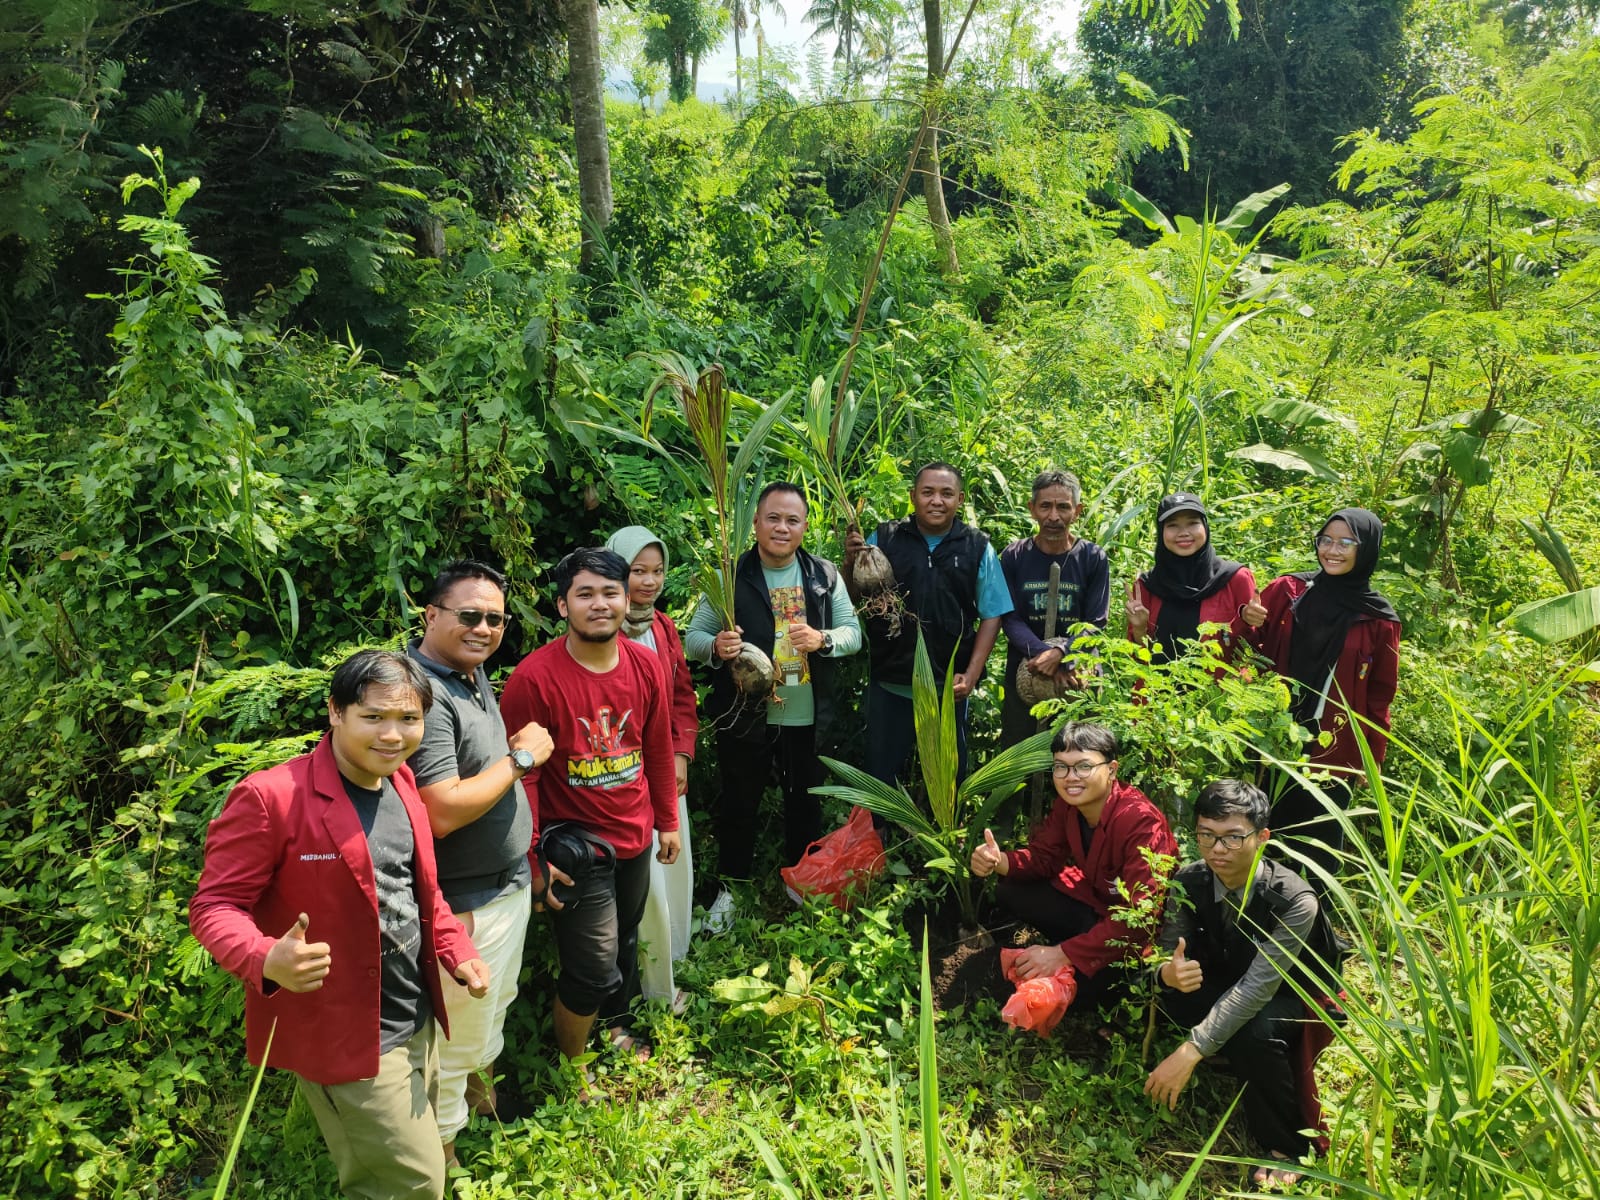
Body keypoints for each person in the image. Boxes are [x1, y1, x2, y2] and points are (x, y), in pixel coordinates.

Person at [190, 650, 491, 1200]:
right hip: (346, 1032)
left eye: (408, 719)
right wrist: (264, 958)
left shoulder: (401, 783)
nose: (393, 735)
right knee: (414, 1183)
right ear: (335, 711)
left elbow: (418, 891)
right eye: (373, 717)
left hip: (414, 1011)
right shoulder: (271, 797)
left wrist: (454, 947)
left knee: (401, 1178)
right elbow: (213, 906)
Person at [498, 548, 679, 1071]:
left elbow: (658, 748)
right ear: (562, 605)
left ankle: (615, 1026)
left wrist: (666, 820)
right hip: (575, 841)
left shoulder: (646, 665)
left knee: (623, 938)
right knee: (593, 967)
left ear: (627, 599)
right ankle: (572, 1071)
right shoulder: (535, 679)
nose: (599, 604)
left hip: (635, 830)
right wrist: (532, 857)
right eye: (585, 593)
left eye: (610, 592)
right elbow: (521, 777)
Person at [403, 560, 552, 1161]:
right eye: (469, 615)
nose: (484, 628)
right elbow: (440, 809)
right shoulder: (422, 691)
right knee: (455, 1033)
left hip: (505, 884)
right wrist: (519, 761)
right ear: (431, 614)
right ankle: (444, 1153)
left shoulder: (468, 671)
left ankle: (480, 1103)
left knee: (494, 1005)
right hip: (463, 901)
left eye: (494, 618)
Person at [1145, 779, 1342, 1187]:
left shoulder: (1294, 900)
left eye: (1233, 837)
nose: (1218, 850)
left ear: (1262, 837)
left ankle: (1286, 1144)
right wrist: (1168, 971)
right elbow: (1167, 948)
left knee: (1254, 1030)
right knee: (1176, 994)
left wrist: (1191, 1049)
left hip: (1298, 994)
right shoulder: (1190, 879)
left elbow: (1259, 987)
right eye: (1207, 836)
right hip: (1232, 973)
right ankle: (1229, 1054)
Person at [683, 483, 861, 920]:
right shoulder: (731, 577)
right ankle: (732, 891)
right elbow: (693, 638)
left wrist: (823, 640)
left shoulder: (824, 577)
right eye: (773, 518)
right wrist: (716, 647)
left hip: (806, 715)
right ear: (757, 523)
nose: (782, 528)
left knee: (804, 803)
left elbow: (853, 634)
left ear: (804, 526)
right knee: (739, 803)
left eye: (792, 520)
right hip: (746, 714)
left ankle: (803, 885)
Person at [969, 721, 1177, 1014]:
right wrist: (997, 860)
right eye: (1060, 767)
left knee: (1092, 992)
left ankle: (1078, 959)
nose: (1070, 778)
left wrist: (1062, 954)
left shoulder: (1141, 822)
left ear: (1112, 770)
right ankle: (1072, 950)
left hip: (1133, 939)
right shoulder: (1068, 806)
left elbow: (1140, 918)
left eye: (1083, 767)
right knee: (1013, 886)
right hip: (1096, 907)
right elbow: (1043, 858)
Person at [1239, 507, 1401, 876]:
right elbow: (1250, 648)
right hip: (1272, 736)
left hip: (1334, 745)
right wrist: (1246, 622)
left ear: (1368, 549)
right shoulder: (1289, 589)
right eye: (1325, 540)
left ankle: (1312, 923)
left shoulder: (1379, 619)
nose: (1333, 550)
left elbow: (1380, 694)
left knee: (1318, 845)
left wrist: (1372, 756)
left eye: (1347, 542)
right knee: (1261, 834)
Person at [845, 462, 1012, 784]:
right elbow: (853, 598)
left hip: (947, 685)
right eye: (928, 492)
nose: (937, 500)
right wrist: (850, 561)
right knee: (880, 772)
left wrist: (973, 674)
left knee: (948, 776)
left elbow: (993, 614)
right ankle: (875, 832)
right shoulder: (883, 537)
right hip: (892, 680)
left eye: (946, 493)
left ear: (960, 499)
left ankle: (947, 833)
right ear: (913, 497)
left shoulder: (977, 546)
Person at [604, 526, 699, 1007]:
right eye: (637, 570)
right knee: (644, 883)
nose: (648, 581)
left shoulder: (661, 626)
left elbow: (682, 694)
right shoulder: (601, 629)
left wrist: (681, 753)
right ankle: (648, 985)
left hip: (667, 772)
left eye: (657, 571)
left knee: (672, 868)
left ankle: (673, 956)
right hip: (622, 777)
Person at [998, 469, 1110, 750]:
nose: (1053, 516)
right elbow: (1009, 617)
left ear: (1077, 511)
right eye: (1045, 506)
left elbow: (1095, 620)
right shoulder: (1014, 556)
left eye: (1063, 507)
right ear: (1032, 509)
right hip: (1028, 667)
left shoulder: (1092, 558)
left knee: (1081, 752)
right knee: (1019, 752)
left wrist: (1062, 654)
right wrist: (1042, 655)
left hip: (1078, 673)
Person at [1125, 493, 1255, 665]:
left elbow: (1256, 651)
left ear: (1205, 527)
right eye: (1172, 525)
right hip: (1156, 690)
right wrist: (1140, 629)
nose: (1184, 533)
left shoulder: (1234, 579)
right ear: (1161, 531)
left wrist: (1246, 620)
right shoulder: (1147, 586)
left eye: (1193, 523)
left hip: (1219, 690)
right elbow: (1139, 662)